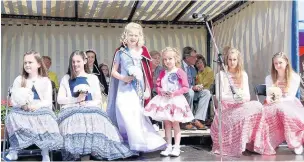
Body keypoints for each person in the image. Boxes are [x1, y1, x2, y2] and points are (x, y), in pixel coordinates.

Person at [57, 50, 137, 161]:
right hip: (72, 109)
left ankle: (93, 150)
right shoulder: (66, 78)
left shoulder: (92, 78)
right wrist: (76, 100)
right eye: (73, 62)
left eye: (78, 61)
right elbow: (60, 99)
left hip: (90, 107)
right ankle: (79, 152)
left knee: (95, 120)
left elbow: (98, 99)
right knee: (75, 119)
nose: (75, 64)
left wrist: (86, 104)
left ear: (84, 61)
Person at [107, 22, 166, 152]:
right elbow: (113, 71)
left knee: (134, 114)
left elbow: (147, 74)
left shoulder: (142, 52)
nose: (133, 37)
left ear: (139, 37)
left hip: (137, 90)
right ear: (125, 36)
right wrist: (124, 78)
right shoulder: (120, 52)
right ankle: (126, 140)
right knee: (122, 111)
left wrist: (147, 90)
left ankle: (137, 143)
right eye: (130, 35)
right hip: (123, 89)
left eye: (136, 35)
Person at [5, 50, 63, 161]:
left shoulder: (45, 80)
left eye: (30, 62)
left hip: (39, 108)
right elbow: (13, 99)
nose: (27, 65)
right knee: (12, 116)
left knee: (46, 117)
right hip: (23, 108)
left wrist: (37, 106)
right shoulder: (19, 79)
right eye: (25, 62)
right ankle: (14, 150)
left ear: (38, 64)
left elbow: (47, 101)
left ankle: (45, 152)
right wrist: (23, 106)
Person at [211, 48, 264, 157]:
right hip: (226, 108)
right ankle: (238, 145)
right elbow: (220, 97)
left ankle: (254, 143)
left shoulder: (243, 74)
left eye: (234, 59)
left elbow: (247, 96)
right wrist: (234, 98)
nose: (232, 62)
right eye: (230, 59)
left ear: (238, 60)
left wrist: (240, 98)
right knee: (244, 113)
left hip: (241, 105)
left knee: (258, 106)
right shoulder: (221, 75)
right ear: (226, 60)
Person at [144, 47, 194, 157]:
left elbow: (186, 87)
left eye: (170, 58)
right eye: (165, 59)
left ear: (176, 58)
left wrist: (175, 93)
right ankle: (168, 146)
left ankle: (176, 147)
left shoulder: (180, 72)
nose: (167, 61)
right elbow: (157, 86)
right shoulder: (162, 72)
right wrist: (161, 91)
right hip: (165, 100)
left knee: (175, 123)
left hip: (176, 100)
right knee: (166, 124)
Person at [262, 52, 304, 155]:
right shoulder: (269, 78)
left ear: (286, 63)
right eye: (275, 63)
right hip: (273, 104)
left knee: (285, 112)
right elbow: (269, 95)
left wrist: (278, 100)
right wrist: (273, 100)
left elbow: (290, 96)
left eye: (280, 62)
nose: (278, 65)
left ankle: (296, 143)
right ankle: (271, 142)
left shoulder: (294, 77)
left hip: (290, 104)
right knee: (266, 113)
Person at [181, 46, 207, 130]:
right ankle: (186, 121)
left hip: (191, 92)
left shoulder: (193, 69)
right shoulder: (178, 66)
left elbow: (194, 83)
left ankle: (197, 120)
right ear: (187, 57)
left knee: (206, 93)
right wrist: (192, 88)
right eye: (194, 57)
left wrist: (198, 86)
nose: (196, 59)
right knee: (190, 92)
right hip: (181, 93)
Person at [194, 54, 214, 124]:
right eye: (197, 63)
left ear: (204, 63)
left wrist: (199, 75)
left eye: (200, 62)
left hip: (205, 90)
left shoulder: (209, 70)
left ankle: (198, 119)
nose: (199, 65)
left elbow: (203, 83)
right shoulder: (195, 71)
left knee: (206, 93)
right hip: (196, 91)